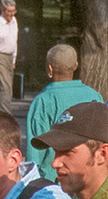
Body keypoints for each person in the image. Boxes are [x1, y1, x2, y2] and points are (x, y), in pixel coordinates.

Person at [25, 45, 103, 181]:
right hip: (88, 177)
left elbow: (34, 155)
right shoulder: (95, 96)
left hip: (54, 179)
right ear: (76, 65)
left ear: (49, 68)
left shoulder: (43, 101)